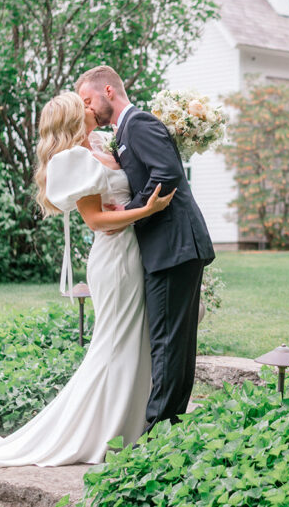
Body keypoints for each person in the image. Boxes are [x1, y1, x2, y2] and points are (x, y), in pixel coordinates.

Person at [0, 91, 173, 468]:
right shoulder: (72, 160)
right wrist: (145, 209)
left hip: (134, 251)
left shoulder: (98, 145)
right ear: (75, 118)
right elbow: (95, 221)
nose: (91, 108)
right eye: (84, 106)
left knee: (134, 339)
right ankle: (102, 430)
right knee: (115, 342)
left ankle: (130, 420)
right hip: (116, 259)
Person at [76, 65, 214, 432]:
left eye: (88, 100)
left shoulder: (137, 123)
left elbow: (167, 174)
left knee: (168, 344)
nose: (87, 109)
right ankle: (171, 428)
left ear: (108, 91)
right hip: (170, 247)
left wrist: (129, 210)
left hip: (174, 245)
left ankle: (157, 435)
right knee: (174, 343)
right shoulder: (123, 133)